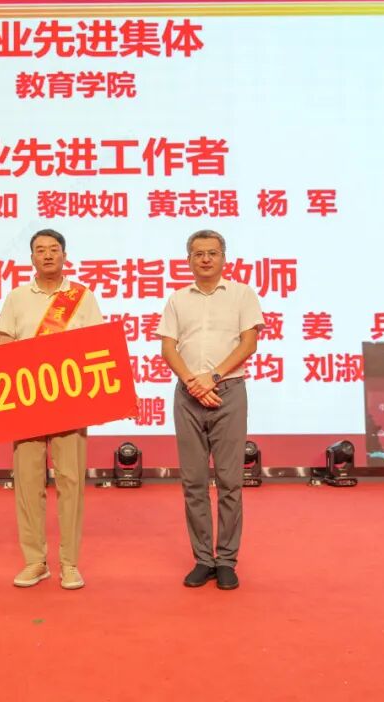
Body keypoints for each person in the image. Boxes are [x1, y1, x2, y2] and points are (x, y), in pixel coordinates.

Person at [0, 228, 104, 590]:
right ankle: (35, 561)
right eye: (40, 250)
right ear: (31, 257)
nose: (47, 255)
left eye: (53, 249)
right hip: (25, 401)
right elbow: (3, 344)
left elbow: (98, 345)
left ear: (65, 255)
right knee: (28, 482)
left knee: (71, 482)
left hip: (71, 401)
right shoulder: (17, 297)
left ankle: (70, 563)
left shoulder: (82, 297)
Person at [158, 230, 264, 591]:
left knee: (231, 481)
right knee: (194, 482)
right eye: (198, 253)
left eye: (213, 253)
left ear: (223, 258)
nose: (205, 259)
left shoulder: (241, 294)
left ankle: (227, 560)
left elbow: (249, 343)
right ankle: (203, 559)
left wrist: (212, 377)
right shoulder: (177, 299)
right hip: (188, 395)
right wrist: (192, 382)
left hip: (228, 392)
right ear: (188, 259)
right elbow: (168, 348)